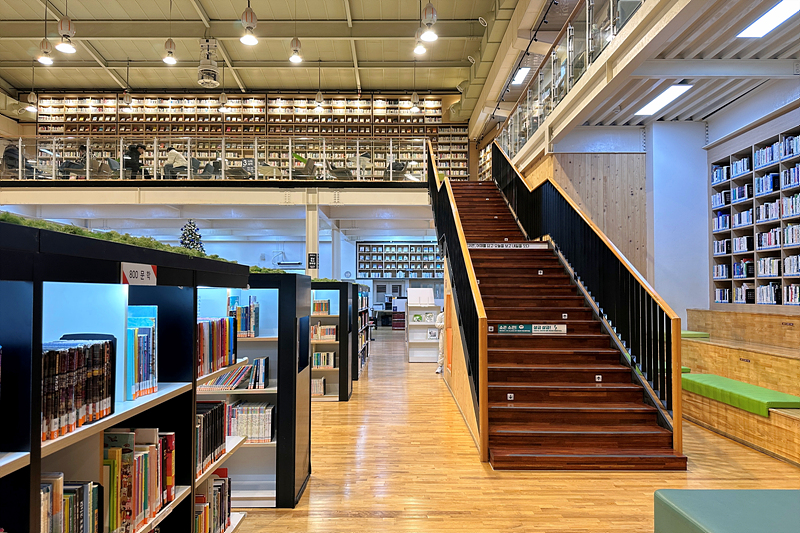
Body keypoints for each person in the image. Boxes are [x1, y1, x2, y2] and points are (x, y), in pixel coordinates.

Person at [435, 310, 445, 374]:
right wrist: (444, 324)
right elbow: (437, 324)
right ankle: (440, 366)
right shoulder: (440, 316)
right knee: (442, 350)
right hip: (443, 334)